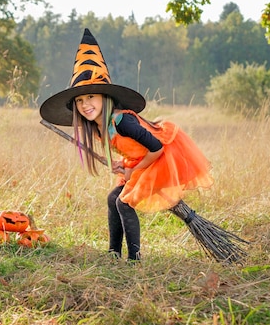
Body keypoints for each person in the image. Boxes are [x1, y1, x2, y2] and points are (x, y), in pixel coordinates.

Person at [40, 28, 213, 261]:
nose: (85, 104)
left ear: (105, 97)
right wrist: (124, 164)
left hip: (160, 160)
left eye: (91, 97)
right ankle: (114, 252)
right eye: (79, 100)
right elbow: (133, 149)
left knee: (124, 202)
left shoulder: (123, 121)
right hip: (143, 162)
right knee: (113, 198)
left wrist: (133, 169)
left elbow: (156, 148)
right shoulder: (100, 127)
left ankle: (134, 258)